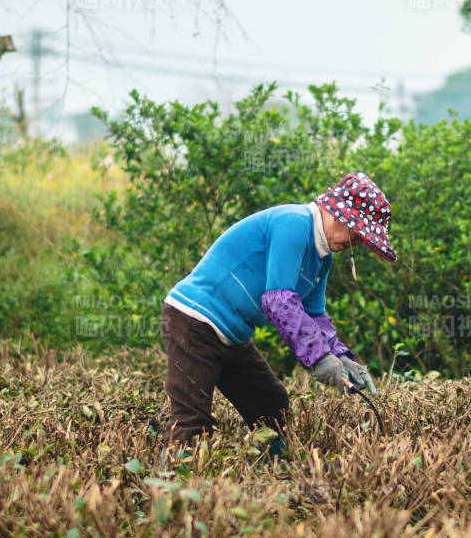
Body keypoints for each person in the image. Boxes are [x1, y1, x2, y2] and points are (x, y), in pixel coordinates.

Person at [157, 171, 397, 466]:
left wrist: (341, 357)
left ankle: (271, 476)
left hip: (233, 335)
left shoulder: (323, 258)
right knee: (192, 420)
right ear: (339, 215)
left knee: (271, 404)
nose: (358, 243)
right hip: (193, 321)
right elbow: (279, 300)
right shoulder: (294, 224)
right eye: (359, 234)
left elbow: (314, 315)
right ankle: (174, 487)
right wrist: (319, 358)